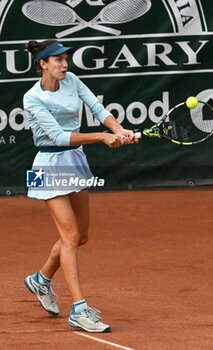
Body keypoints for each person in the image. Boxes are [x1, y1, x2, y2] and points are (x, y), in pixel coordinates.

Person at [23, 39, 137, 333]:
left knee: (80, 236)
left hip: (74, 161)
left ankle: (41, 279)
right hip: (47, 165)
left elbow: (97, 107)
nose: (64, 65)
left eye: (65, 59)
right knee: (70, 235)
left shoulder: (72, 80)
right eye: (57, 60)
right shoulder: (32, 98)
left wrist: (118, 130)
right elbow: (58, 137)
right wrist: (101, 137)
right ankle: (79, 309)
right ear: (43, 64)